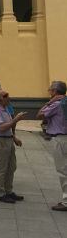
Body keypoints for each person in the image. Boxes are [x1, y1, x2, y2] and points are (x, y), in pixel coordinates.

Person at [0, 89, 27, 203]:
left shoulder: (4, 108)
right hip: (0, 141)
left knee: (11, 167)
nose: (7, 97)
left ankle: (8, 191)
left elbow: (7, 128)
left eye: (7, 94)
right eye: (4, 96)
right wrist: (16, 119)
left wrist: (14, 138)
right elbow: (2, 127)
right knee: (1, 169)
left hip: (7, 140)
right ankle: (1, 193)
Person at [36, 81, 67, 211]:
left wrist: (49, 102)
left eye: (50, 90)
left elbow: (39, 115)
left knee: (63, 171)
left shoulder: (56, 104)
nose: (49, 92)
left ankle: (66, 202)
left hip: (60, 139)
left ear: (54, 92)